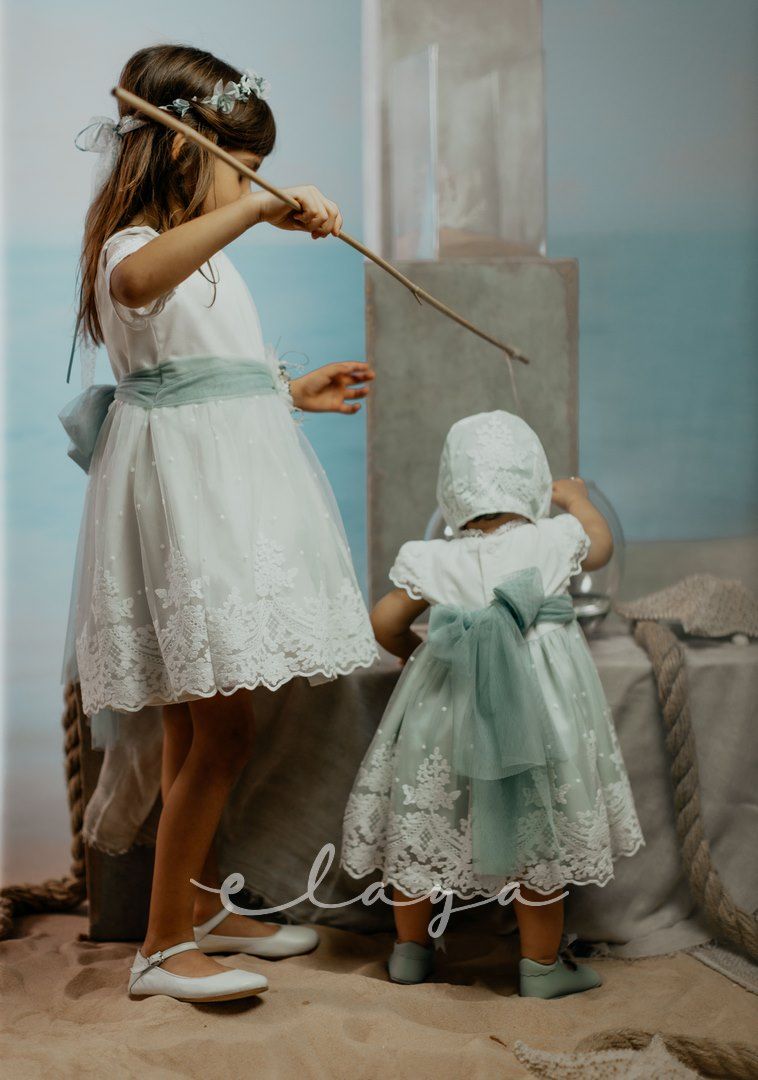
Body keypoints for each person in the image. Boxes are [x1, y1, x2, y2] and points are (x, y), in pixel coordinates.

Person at [62, 44, 378, 1003]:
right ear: (181, 149)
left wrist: (292, 391)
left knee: (193, 724)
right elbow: (135, 288)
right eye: (241, 167)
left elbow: (208, 376)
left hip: (214, 500)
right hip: (184, 510)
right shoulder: (133, 248)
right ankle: (162, 947)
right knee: (221, 730)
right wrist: (254, 209)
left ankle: (195, 906)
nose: (251, 187)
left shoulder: (203, 256)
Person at [340, 410, 644, 998]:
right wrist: (577, 500)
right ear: (533, 482)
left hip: (445, 717)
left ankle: (410, 951)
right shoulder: (553, 539)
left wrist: (414, 652)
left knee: (426, 823)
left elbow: (383, 622)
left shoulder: (434, 558)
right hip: (535, 720)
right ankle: (541, 966)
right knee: (537, 833)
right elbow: (601, 548)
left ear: (450, 492)